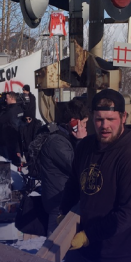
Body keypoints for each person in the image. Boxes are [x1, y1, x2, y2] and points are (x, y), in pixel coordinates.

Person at [59, 89, 131, 262]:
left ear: (123, 116)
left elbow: (129, 213)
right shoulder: (85, 147)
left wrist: (88, 236)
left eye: (111, 119)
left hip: (117, 256)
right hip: (81, 251)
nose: (105, 125)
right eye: (99, 119)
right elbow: (73, 184)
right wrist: (64, 213)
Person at [37, 98, 89, 236]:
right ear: (74, 123)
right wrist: (80, 141)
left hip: (65, 199)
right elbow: (77, 165)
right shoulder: (57, 143)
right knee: (54, 246)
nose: (85, 128)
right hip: (58, 203)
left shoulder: (65, 138)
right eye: (83, 124)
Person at [0, 92, 24, 166]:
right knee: (16, 160)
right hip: (17, 137)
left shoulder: (10, 111)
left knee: (8, 161)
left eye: (7, 98)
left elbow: (1, 120)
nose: (5, 100)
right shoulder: (19, 108)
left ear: (12, 98)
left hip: (9, 138)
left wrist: (1, 109)